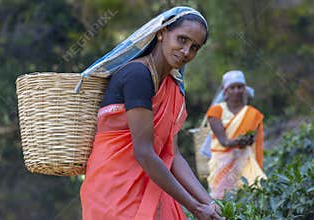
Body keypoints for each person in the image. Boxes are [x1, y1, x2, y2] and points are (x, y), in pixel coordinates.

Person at [79, 7, 221, 220]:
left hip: (151, 186)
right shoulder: (138, 75)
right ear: (162, 32)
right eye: (181, 39)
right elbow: (144, 152)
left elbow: (172, 156)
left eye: (194, 47)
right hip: (115, 191)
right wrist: (196, 207)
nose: (186, 51)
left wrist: (209, 202)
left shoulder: (172, 87)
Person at [205, 70, 266, 199]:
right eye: (232, 87)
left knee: (250, 198)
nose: (236, 91)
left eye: (240, 87)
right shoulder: (216, 111)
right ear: (225, 90)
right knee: (222, 201)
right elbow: (224, 141)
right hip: (222, 164)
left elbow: (255, 141)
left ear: (245, 89)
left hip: (245, 161)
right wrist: (238, 142)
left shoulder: (252, 113)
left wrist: (247, 141)